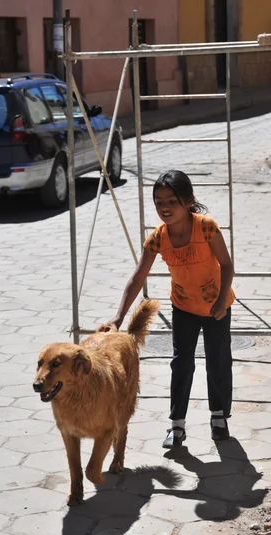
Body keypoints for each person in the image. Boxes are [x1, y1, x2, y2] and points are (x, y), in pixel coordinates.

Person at [101, 170, 235, 449]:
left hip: (216, 307)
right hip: (183, 306)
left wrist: (222, 301)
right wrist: (119, 316)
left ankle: (219, 417)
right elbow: (138, 276)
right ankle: (177, 425)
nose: (164, 208)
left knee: (218, 361)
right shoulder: (158, 238)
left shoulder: (207, 227)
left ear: (187, 202)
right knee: (181, 363)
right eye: (158, 202)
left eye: (171, 201)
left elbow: (227, 265)